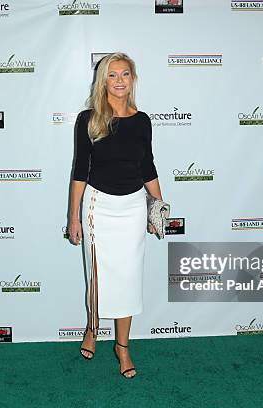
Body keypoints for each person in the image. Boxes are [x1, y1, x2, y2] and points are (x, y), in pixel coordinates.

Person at [68, 52, 163, 379]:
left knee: (129, 278)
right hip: (99, 209)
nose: (120, 80)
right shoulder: (88, 119)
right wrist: (73, 217)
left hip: (134, 208)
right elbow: (80, 170)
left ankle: (122, 347)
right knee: (98, 277)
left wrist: (158, 207)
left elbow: (147, 166)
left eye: (125, 74)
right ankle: (93, 329)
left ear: (132, 79)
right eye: (113, 74)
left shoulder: (143, 120)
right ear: (103, 80)